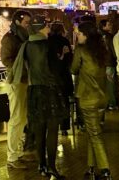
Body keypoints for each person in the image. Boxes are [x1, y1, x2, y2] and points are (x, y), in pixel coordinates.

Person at [23, 15, 68, 179]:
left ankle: (41, 165)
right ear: (41, 28)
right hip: (50, 91)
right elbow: (55, 69)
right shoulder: (48, 45)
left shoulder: (27, 45)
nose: (49, 28)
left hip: (34, 90)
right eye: (47, 26)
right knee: (52, 130)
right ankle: (51, 167)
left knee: (39, 130)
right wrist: (62, 58)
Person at [72, 21, 113, 180]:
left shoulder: (81, 50)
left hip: (88, 98)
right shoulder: (102, 50)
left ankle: (105, 169)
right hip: (102, 97)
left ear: (86, 35)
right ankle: (90, 166)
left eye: (79, 33)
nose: (77, 35)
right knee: (93, 131)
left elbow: (73, 69)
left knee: (95, 134)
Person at [1, 10, 33, 170]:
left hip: (25, 80)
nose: (29, 25)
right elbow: (5, 60)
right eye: (27, 22)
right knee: (16, 118)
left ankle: (18, 153)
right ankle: (12, 157)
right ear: (18, 22)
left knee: (22, 118)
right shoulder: (9, 38)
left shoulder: (24, 37)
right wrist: (23, 64)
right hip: (16, 80)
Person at [48, 21, 74, 136]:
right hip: (63, 77)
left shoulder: (47, 42)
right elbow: (69, 60)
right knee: (65, 102)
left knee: (53, 102)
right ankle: (64, 127)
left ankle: (53, 126)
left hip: (51, 77)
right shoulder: (64, 42)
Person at [99, 19, 118, 110]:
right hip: (109, 62)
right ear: (104, 26)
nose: (110, 26)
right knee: (110, 84)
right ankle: (111, 103)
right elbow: (113, 50)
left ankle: (105, 103)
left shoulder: (97, 36)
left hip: (102, 63)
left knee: (104, 84)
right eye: (108, 24)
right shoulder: (109, 37)